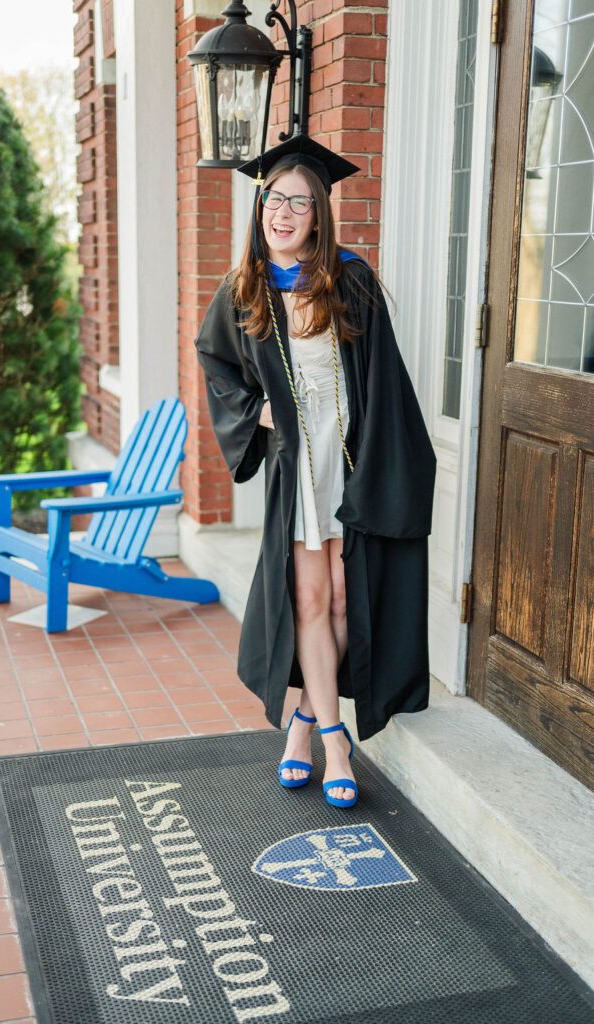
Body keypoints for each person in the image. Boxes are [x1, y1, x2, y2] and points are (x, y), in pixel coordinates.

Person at [194, 134, 436, 809]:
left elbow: (386, 383)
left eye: (300, 202)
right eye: (275, 199)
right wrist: (254, 412)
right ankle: (334, 740)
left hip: (350, 460)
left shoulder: (350, 280)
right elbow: (215, 366)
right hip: (297, 469)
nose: (284, 213)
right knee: (307, 600)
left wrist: (390, 469)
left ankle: (300, 717)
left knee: (339, 600)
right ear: (260, 206)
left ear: (318, 214)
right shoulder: (244, 288)